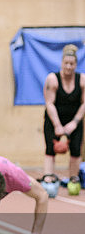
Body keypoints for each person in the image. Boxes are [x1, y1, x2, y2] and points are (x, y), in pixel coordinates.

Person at [43, 44, 85, 179]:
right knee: (50, 149)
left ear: (75, 64)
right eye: (66, 63)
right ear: (61, 63)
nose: (68, 66)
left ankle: (74, 179)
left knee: (76, 151)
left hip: (74, 118)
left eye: (71, 64)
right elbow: (49, 103)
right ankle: (48, 178)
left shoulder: (82, 80)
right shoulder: (52, 79)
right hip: (54, 118)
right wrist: (57, 125)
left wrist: (74, 123)